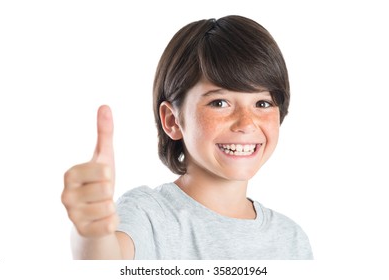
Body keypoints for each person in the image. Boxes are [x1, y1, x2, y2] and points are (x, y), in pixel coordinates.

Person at [61, 15, 313, 260]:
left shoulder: (291, 239)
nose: (246, 123)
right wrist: (91, 234)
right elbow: (107, 260)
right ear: (172, 120)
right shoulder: (149, 215)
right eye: (220, 102)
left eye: (262, 102)